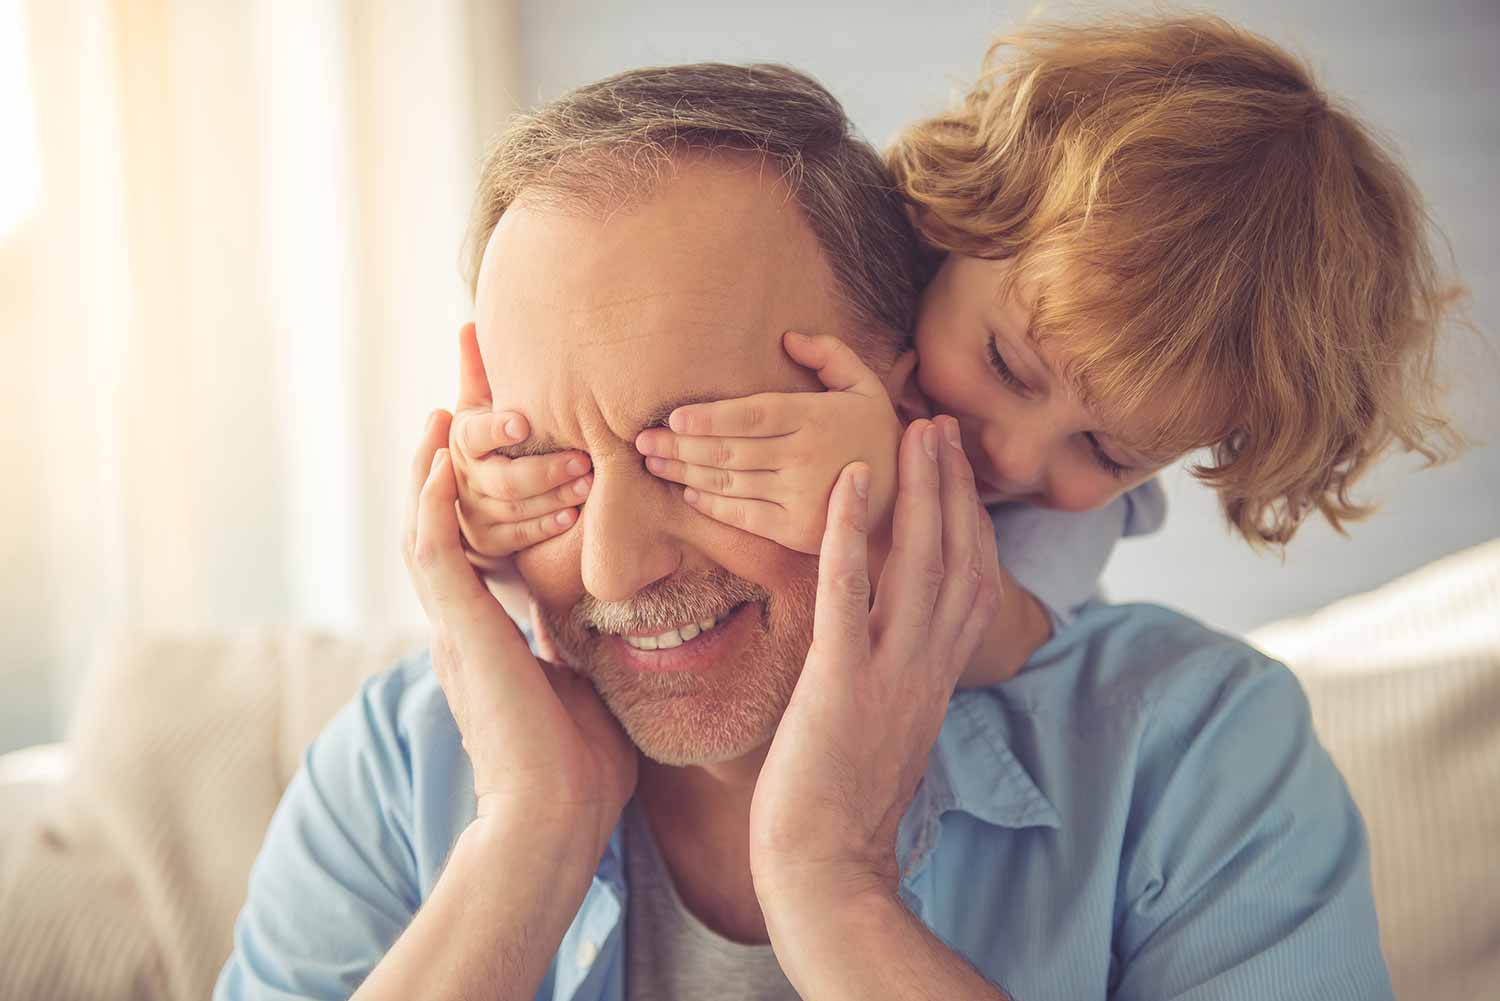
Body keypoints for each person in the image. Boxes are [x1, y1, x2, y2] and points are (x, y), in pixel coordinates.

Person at [215, 62, 1392, 1001]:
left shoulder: (1197, 757)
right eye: (548, 459)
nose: (1009, 460)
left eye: (701, 443)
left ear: (883, 390)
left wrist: (835, 888)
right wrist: (527, 834)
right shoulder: (397, 767)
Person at [456, 15, 1461, 687]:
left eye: (1107, 452)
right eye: (1009, 365)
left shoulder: (1065, 540)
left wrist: (886, 512)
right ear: (949, 223)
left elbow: (994, 642)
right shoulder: (831, 287)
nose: (1015, 459)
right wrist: (514, 491)